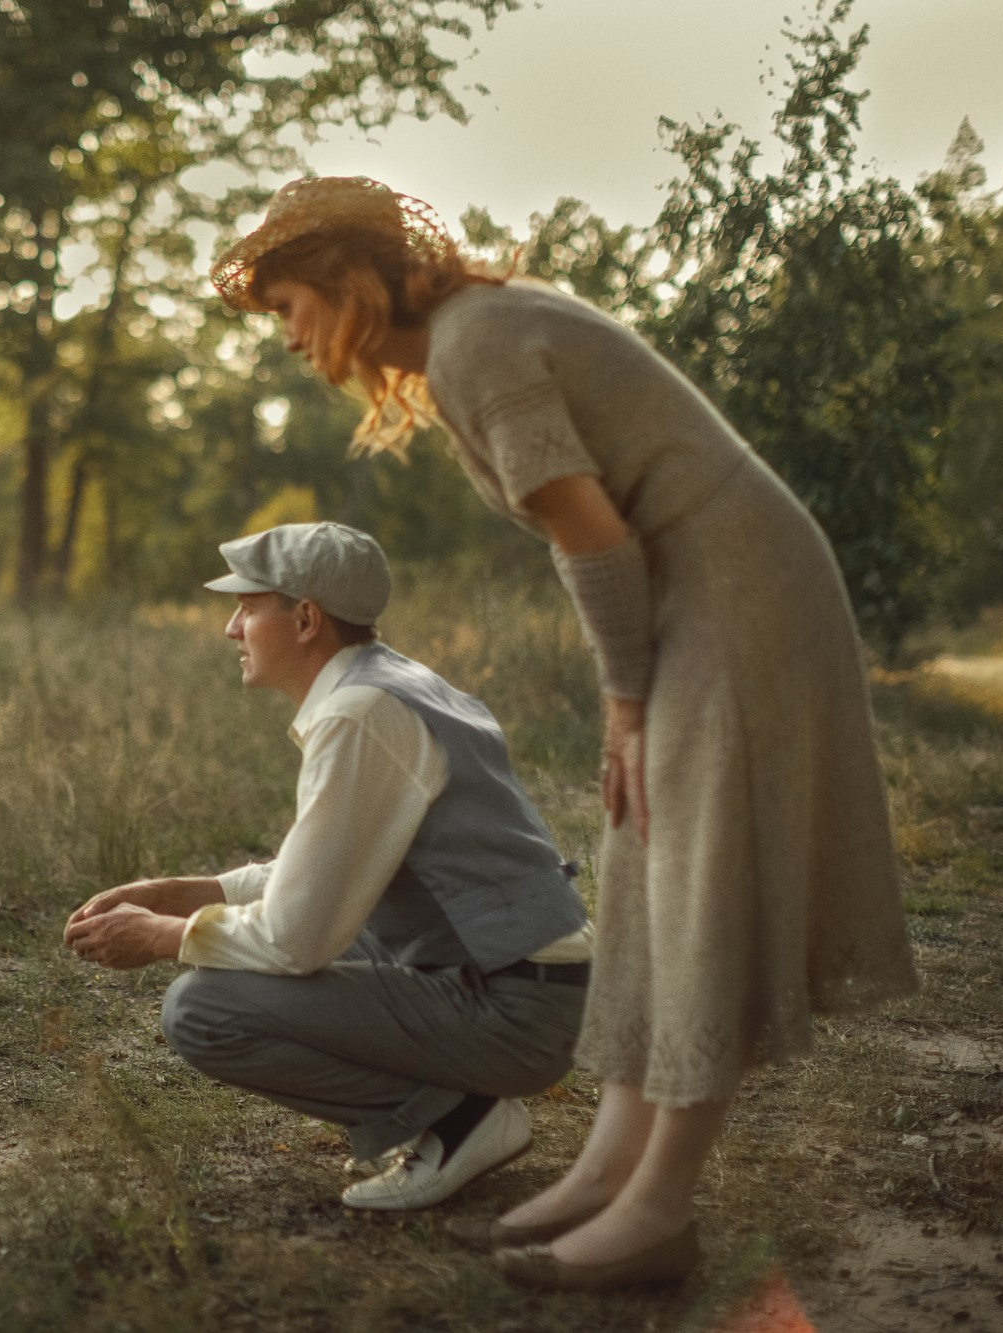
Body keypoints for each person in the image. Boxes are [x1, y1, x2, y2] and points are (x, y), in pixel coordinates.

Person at [210, 176, 918, 1290]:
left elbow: (592, 537)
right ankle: (603, 1174)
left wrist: (625, 706)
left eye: (291, 308)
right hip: (700, 595)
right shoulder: (466, 340)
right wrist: (632, 698)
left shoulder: (474, 344)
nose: (291, 338)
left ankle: (656, 1210)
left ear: (347, 283)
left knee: (695, 884)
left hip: (738, 594)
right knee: (641, 874)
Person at [65, 521, 595, 1213]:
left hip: (515, 1009)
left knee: (202, 1009)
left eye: (247, 607)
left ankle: (462, 1117)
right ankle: (459, 1106)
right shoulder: (390, 686)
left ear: (306, 619)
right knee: (253, 961)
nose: (231, 628)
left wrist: (160, 935)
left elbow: (294, 939)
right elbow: (321, 872)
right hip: (514, 977)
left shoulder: (359, 714)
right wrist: (180, 892)